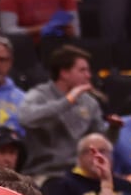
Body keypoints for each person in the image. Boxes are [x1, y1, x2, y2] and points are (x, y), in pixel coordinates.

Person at [18, 44, 106, 180]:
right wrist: (68, 100)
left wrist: (114, 129)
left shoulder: (89, 102)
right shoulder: (39, 95)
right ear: (64, 73)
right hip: (46, 173)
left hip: (81, 173)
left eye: (88, 70)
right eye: (82, 70)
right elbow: (25, 118)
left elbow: (101, 140)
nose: (88, 76)